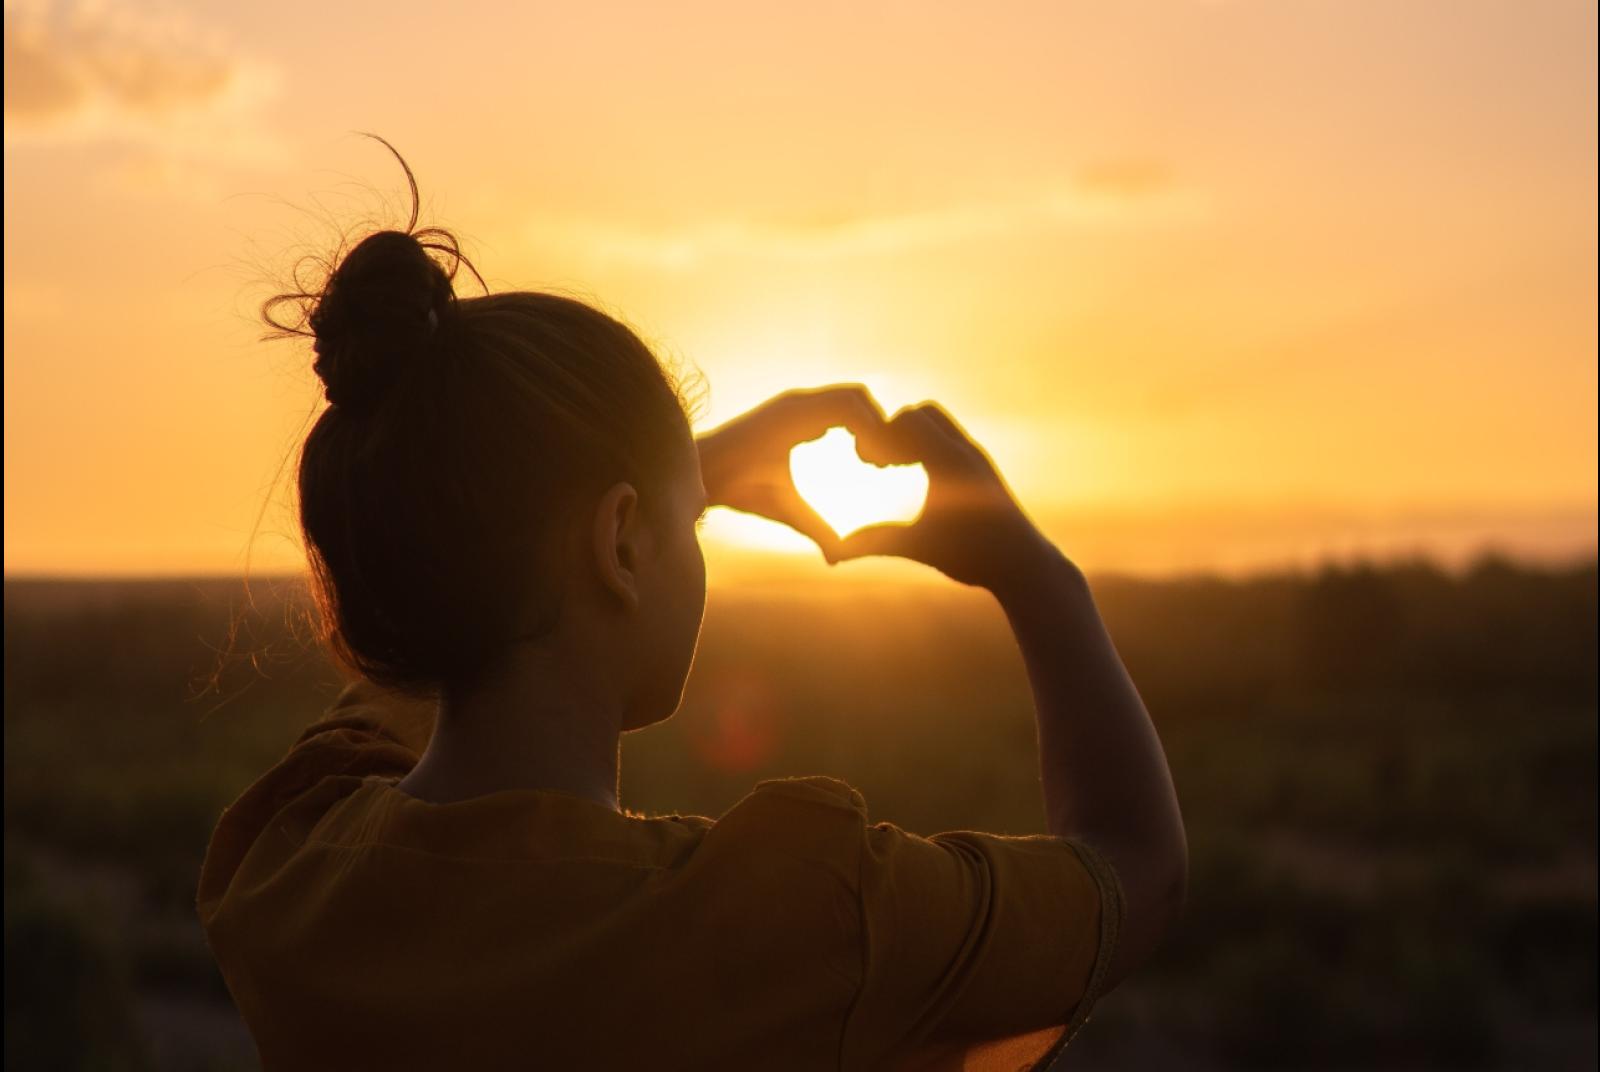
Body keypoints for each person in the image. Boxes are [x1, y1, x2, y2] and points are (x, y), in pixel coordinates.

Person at [196, 142, 1187, 1071]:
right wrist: (1037, 574)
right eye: (692, 521)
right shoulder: (801, 920)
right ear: (622, 543)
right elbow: (1135, 869)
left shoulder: (286, 870)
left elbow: (445, 616)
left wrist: (657, 482)